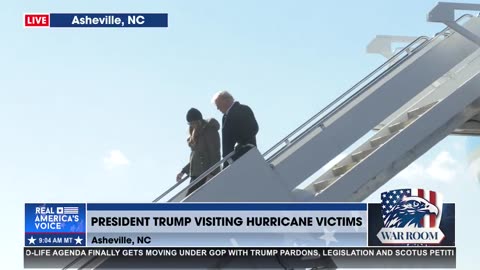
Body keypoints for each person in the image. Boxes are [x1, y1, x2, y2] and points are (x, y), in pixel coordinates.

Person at [176, 108, 221, 195]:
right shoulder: (195, 133)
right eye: (190, 123)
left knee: (190, 202)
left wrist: (212, 173)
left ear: (199, 121)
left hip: (205, 173)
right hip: (196, 174)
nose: (192, 125)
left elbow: (215, 153)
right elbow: (196, 157)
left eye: (193, 123)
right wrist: (183, 171)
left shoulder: (209, 130)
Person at [211, 91, 259, 165]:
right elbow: (227, 143)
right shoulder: (225, 117)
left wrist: (241, 143)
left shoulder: (243, 109)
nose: (217, 108)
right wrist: (226, 161)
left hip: (248, 151)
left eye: (218, 104)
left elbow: (253, 128)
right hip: (236, 155)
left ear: (227, 100)